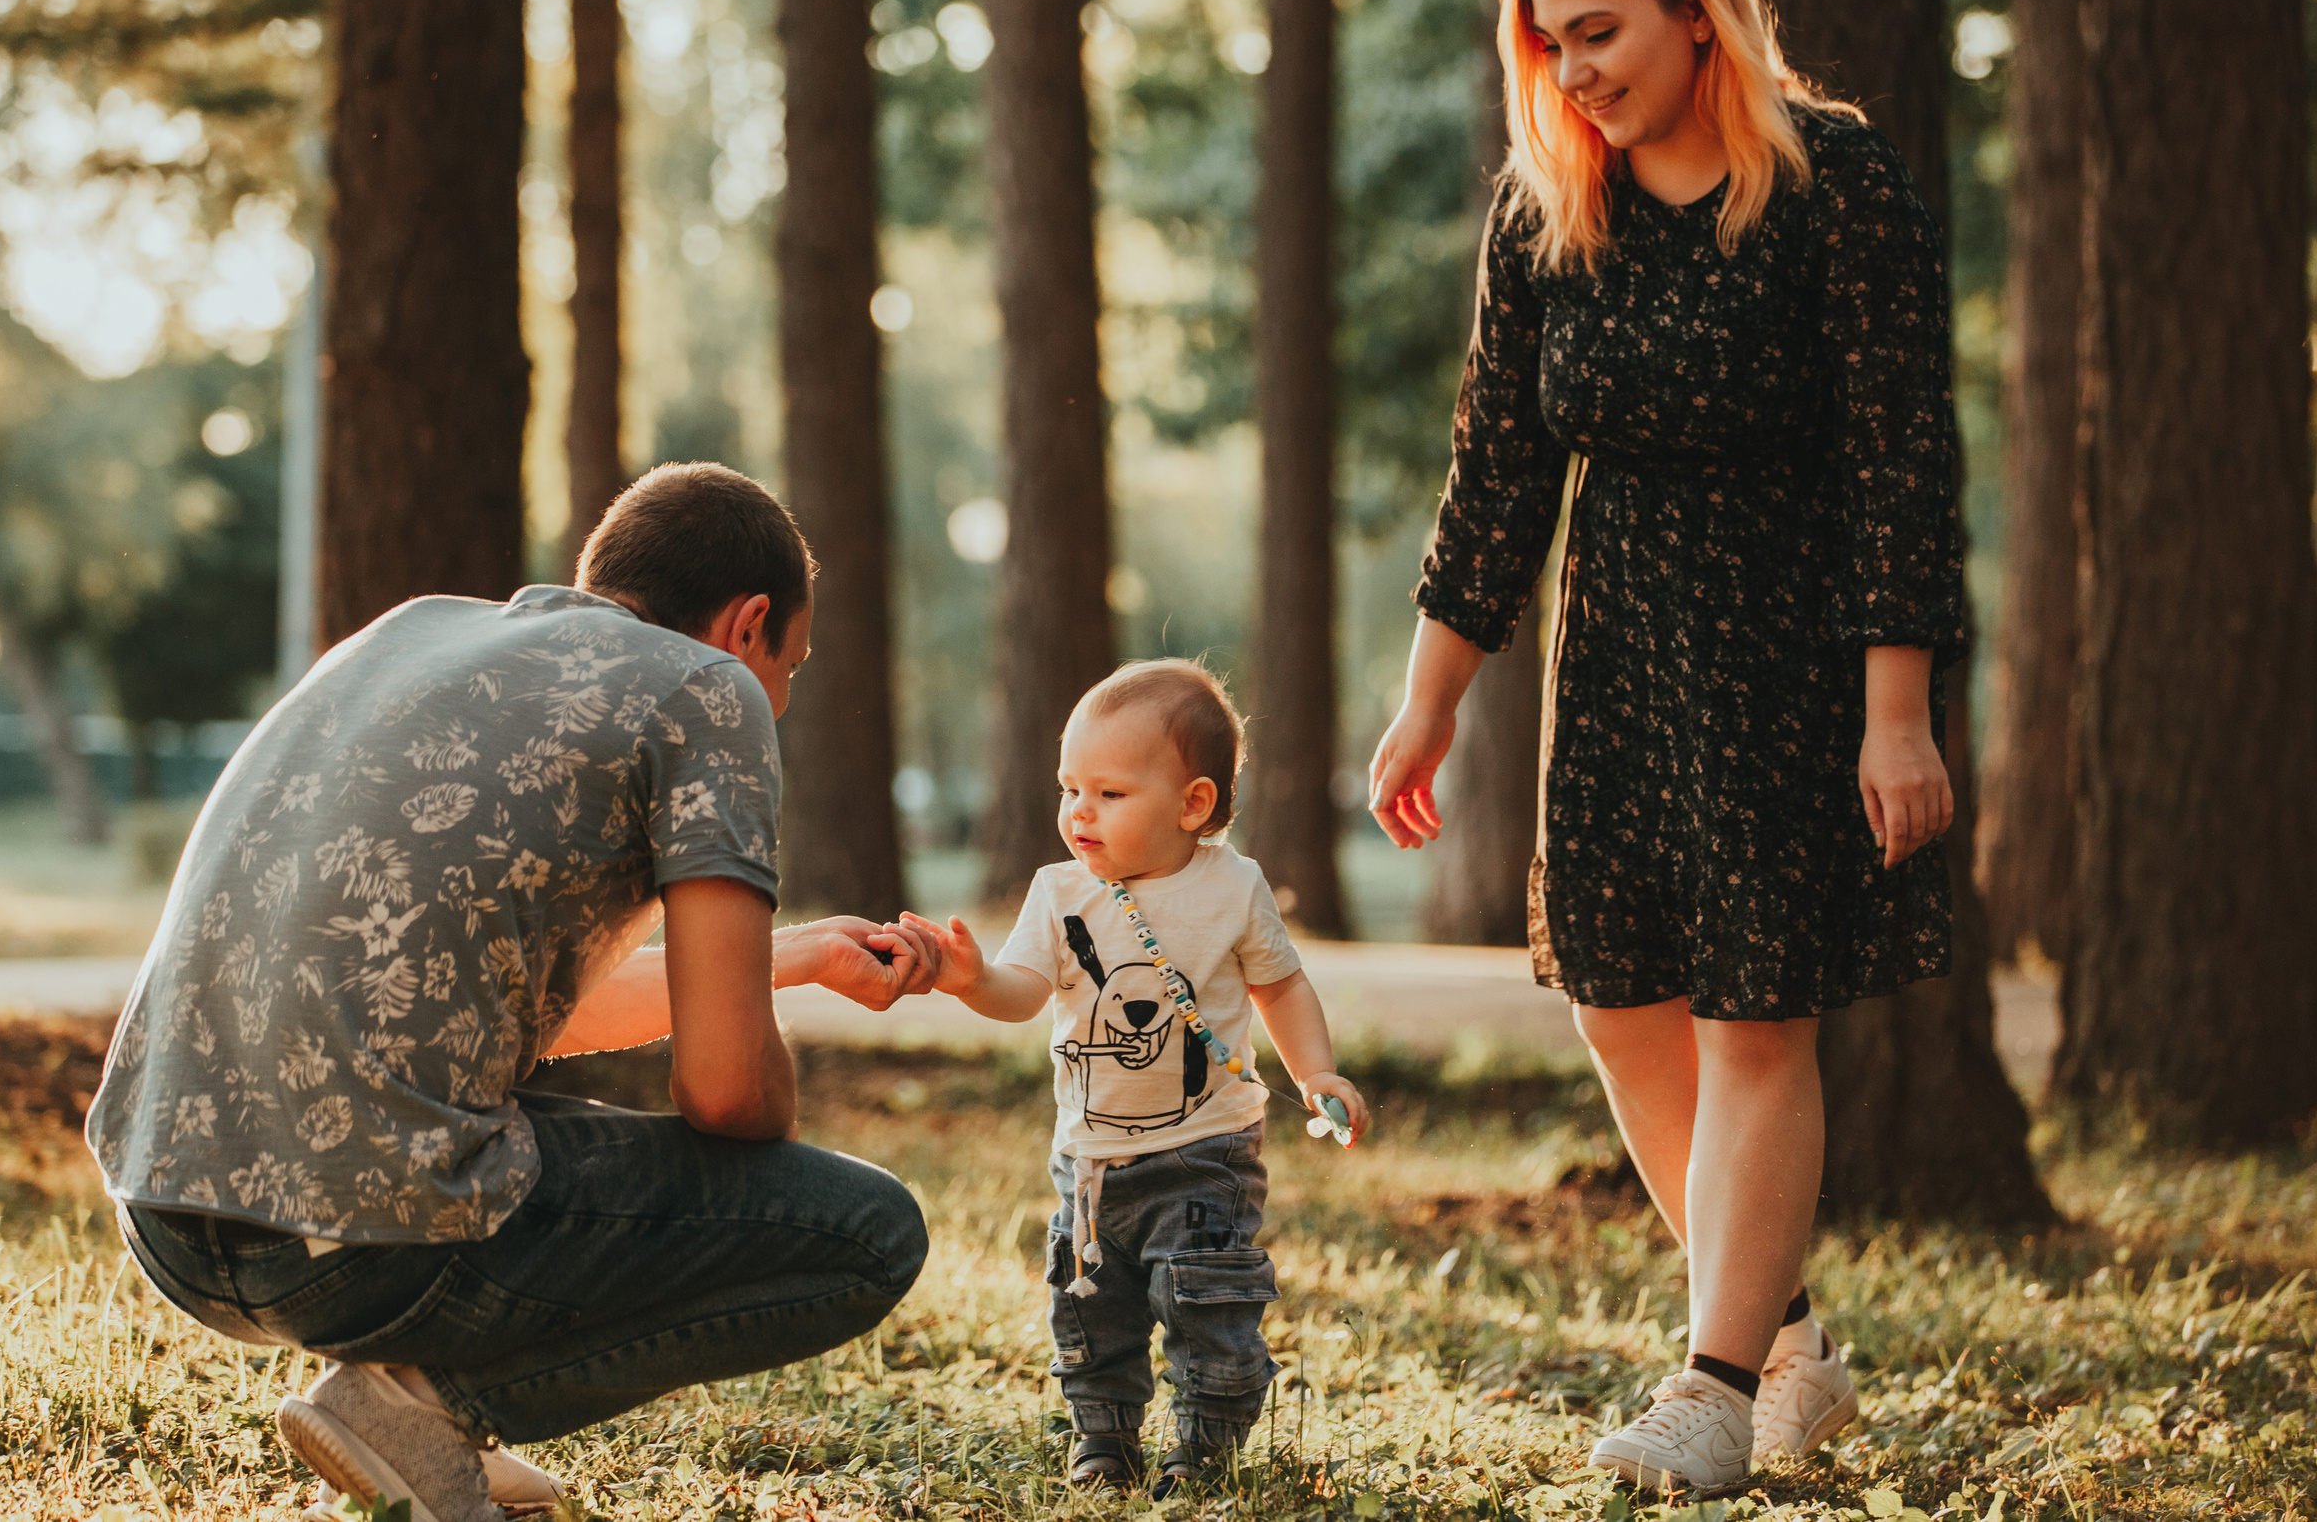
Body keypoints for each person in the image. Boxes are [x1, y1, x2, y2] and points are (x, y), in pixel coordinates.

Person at [1367, 0, 1964, 1495]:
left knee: (1756, 1019)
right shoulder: (1549, 215)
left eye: (1601, 29)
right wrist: (1432, 698)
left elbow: (1904, 459)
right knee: (1624, 1005)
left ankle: (1709, 1386)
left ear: (1697, 6)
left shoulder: (1832, 182)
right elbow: (1493, 479)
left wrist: (1895, 705)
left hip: (1788, 658)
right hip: (1614, 657)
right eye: (1548, 43)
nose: (1574, 71)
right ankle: (1781, 1344)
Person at [86, 463, 944, 1522]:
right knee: (866, 1232)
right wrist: (762, 1050)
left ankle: (425, 1429)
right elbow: (729, 1095)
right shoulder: (708, 688)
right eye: (793, 668)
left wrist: (793, 955)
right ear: (748, 623)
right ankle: (426, 1401)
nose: (778, 698)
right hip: (353, 1246)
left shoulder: (409, 634)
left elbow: (490, 1007)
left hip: (170, 1215)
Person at [908, 660, 1372, 1497]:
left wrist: (1317, 1069)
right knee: (1092, 1308)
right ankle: (1103, 1443)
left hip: (1207, 1151)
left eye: (1110, 794)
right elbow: (1021, 992)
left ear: (1194, 803)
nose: (1078, 812)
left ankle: (1204, 1443)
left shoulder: (1233, 887)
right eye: (1068, 787)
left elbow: (1280, 984)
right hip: (1088, 1164)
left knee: (1206, 1303)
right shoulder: (1059, 893)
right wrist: (969, 977)